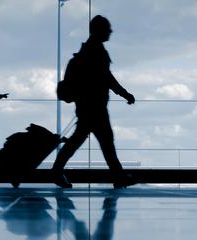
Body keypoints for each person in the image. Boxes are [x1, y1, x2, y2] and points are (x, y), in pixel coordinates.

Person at [53, 15, 136, 189]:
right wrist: (125, 94)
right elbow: (107, 79)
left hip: (87, 106)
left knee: (82, 140)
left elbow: (105, 78)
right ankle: (118, 176)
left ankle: (57, 171)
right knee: (103, 140)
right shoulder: (97, 52)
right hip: (95, 106)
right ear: (100, 31)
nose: (111, 32)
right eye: (108, 29)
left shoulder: (89, 51)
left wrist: (123, 93)